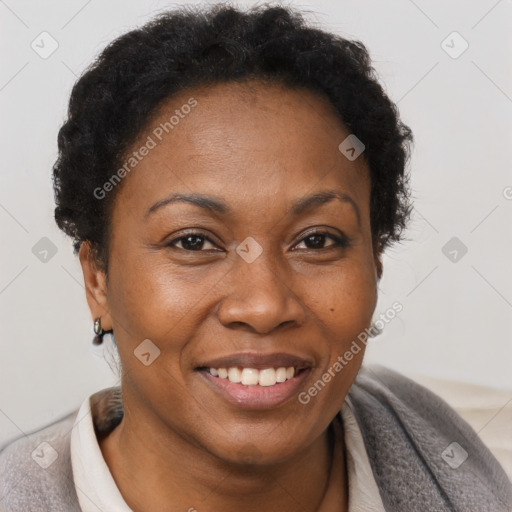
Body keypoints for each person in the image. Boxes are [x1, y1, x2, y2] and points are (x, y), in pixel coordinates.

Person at [1, 3, 511, 511]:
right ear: (97, 280)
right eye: (194, 242)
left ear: (375, 263)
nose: (265, 305)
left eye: (316, 240)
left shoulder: (482, 458)